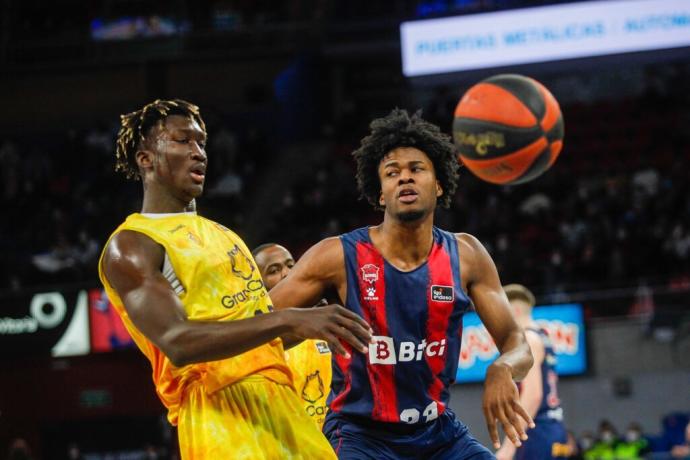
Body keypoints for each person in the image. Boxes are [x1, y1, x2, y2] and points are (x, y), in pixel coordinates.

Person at [98, 99, 373, 459]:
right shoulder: (132, 244)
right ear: (145, 158)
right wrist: (288, 318)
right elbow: (177, 341)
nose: (198, 153)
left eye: (201, 143)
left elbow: (256, 338)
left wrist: (321, 323)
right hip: (217, 408)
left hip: (281, 402)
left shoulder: (225, 235)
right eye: (183, 141)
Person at [268, 108, 535, 459]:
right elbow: (258, 323)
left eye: (416, 169)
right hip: (360, 435)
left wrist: (504, 366)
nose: (404, 179)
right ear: (380, 194)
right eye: (392, 174)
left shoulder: (467, 254)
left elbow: (518, 343)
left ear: (438, 185)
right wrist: (301, 325)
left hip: (438, 433)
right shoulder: (335, 256)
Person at [253, 243, 333, 429]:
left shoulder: (327, 316)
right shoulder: (255, 340)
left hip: (337, 438)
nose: (287, 273)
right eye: (274, 270)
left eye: (291, 265)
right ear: (257, 284)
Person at [495, 284, 569, 460]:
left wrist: (509, 446)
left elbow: (533, 395)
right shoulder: (542, 336)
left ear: (516, 311)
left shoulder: (527, 339)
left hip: (537, 433)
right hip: (554, 429)